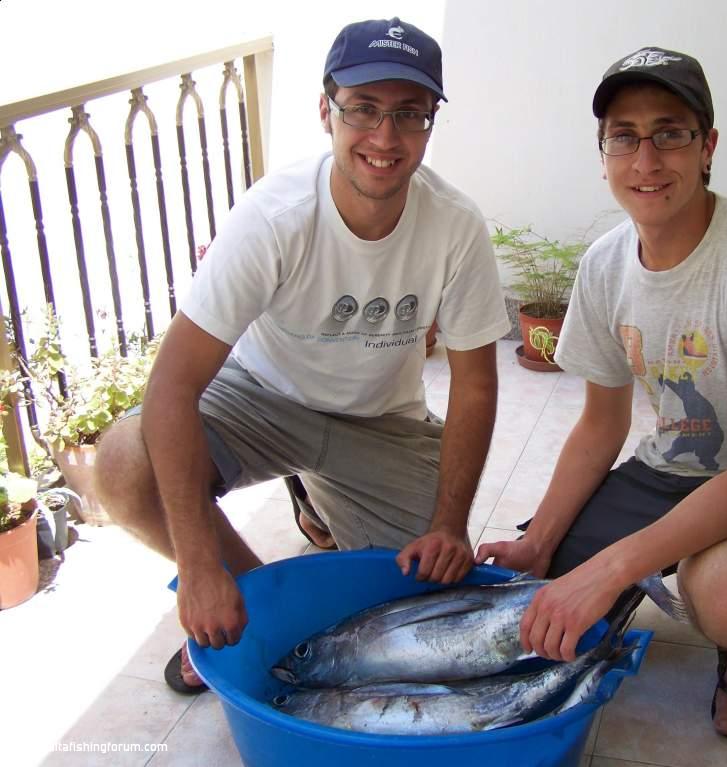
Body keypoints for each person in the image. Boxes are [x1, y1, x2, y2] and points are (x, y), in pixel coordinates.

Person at [95, 17, 510, 695]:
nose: (385, 137)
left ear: (432, 122)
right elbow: (171, 384)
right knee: (123, 465)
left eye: (409, 114)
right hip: (261, 397)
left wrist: (449, 522)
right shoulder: (272, 216)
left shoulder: (455, 224)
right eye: (363, 110)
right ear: (326, 111)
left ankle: (319, 497)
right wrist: (202, 568)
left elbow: (475, 386)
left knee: (418, 602)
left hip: (380, 419)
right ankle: (257, 604)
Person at [476, 47, 727, 741]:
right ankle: (624, 558)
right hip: (676, 464)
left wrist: (618, 563)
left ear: (708, 146)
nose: (646, 159)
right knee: (539, 588)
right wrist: (545, 541)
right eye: (625, 136)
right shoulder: (605, 263)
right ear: (603, 155)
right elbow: (599, 427)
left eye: (670, 132)